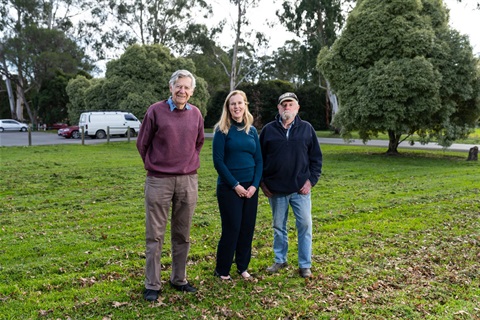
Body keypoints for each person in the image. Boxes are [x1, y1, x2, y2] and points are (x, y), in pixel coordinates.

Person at [136, 69, 205, 301]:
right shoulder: (155, 111)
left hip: (187, 181)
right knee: (155, 235)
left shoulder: (196, 114)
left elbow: (198, 143)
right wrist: (155, 165)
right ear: (171, 88)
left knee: (182, 233)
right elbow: (142, 143)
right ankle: (152, 285)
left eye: (186, 87)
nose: (182, 91)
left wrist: (187, 164)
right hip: (159, 180)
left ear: (192, 91)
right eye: (178, 86)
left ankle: (179, 279)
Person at [259, 92, 322, 278]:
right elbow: (259, 159)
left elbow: (316, 159)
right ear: (278, 108)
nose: (287, 107)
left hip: (300, 189)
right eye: (283, 104)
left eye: (290, 104)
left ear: (297, 108)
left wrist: (311, 181)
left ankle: (305, 264)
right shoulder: (268, 130)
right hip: (275, 189)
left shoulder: (307, 129)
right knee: (279, 226)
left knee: (304, 225)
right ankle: (280, 259)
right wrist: (262, 182)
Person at [212, 90, 263, 281]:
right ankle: (222, 270)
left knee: (247, 228)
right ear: (228, 107)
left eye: (240, 103)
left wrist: (254, 186)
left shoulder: (252, 131)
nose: (237, 107)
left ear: (245, 105)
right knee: (232, 228)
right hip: (229, 188)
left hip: (251, 189)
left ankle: (242, 267)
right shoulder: (222, 130)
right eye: (233, 104)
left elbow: (259, 160)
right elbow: (218, 162)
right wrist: (235, 185)